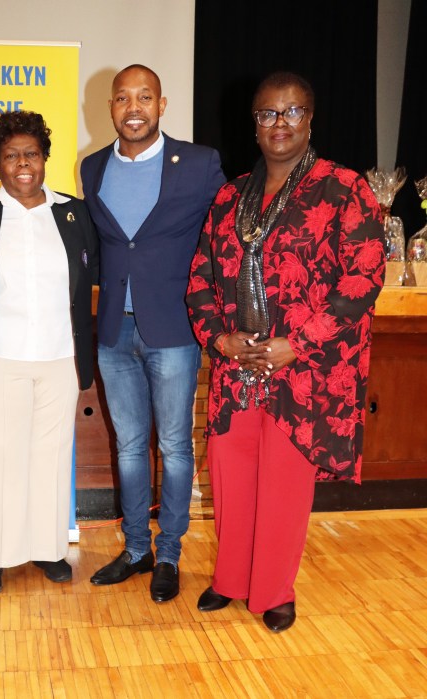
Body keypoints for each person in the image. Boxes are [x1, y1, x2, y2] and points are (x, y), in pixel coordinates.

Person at [186, 71, 385, 632]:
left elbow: (363, 277)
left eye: (291, 112)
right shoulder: (229, 197)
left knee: (283, 482)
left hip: (302, 369)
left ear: (310, 118)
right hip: (237, 364)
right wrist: (219, 339)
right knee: (230, 475)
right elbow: (199, 276)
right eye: (268, 114)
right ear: (254, 123)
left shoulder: (343, 188)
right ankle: (230, 579)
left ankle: (274, 590)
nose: (280, 124)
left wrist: (295, 344)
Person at [81, 64, 225, 603]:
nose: (133, 107)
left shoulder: (201, 163)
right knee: (130, 447)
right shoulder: (91, 168)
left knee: (174, 445)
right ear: (111, 107)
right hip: (114, 330)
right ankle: (136, 548)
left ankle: (170, 555)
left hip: (174, 328)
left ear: (162, 105)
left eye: (145, 97)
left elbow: (222, 239)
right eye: (123, 98)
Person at [0, 111, 98, 595]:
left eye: (31, 154)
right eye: (11, 155)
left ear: (44, 159)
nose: (23, 164)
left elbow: (88, 283)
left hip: (60, 357)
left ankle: (49, 548)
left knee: (52, 454)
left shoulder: (73, 213)